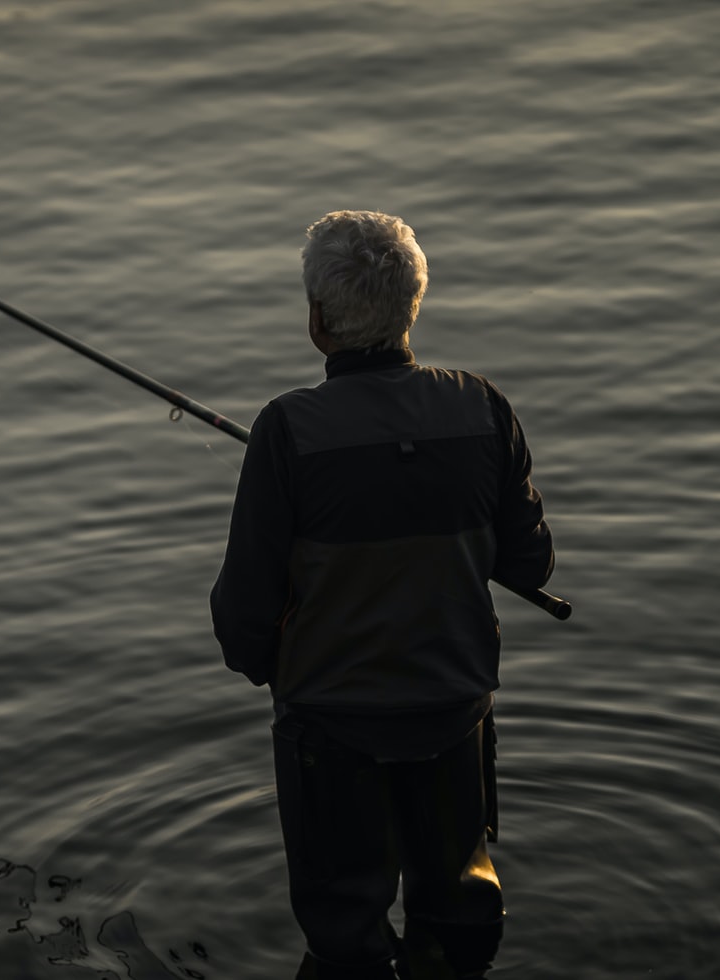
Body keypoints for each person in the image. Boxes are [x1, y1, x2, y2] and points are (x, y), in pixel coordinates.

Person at [210, 210, 554, 980]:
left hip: (331, 726)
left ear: (318, 320)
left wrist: (280, 673)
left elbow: (243, 617)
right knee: (460, 918)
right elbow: (532, 565)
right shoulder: (483, 408)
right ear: (414, 305)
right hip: (453, 706)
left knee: (346, 941)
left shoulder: (287, 430)